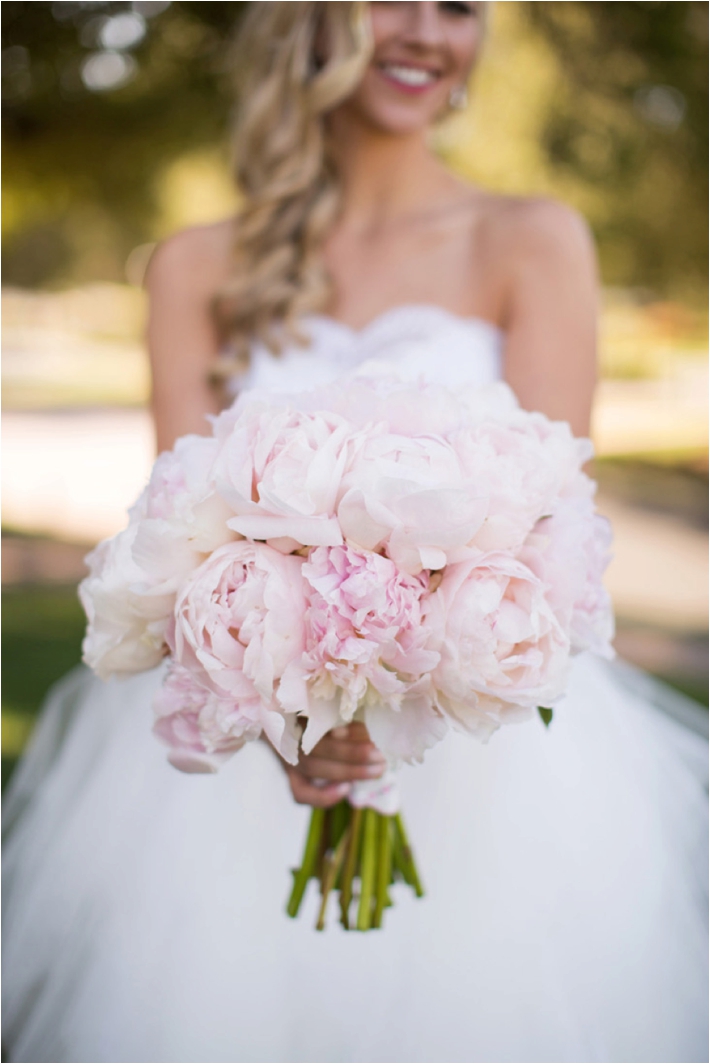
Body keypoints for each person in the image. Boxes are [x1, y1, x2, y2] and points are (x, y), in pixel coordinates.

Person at [3, 3, 707, 1062]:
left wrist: (396, 690)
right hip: (243, 758)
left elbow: (552, 524)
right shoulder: (196, 265)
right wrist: (294, 715)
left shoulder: (531, 239)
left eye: (460, 6)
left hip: (486, 759)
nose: (428, 31)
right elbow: (182, 539)